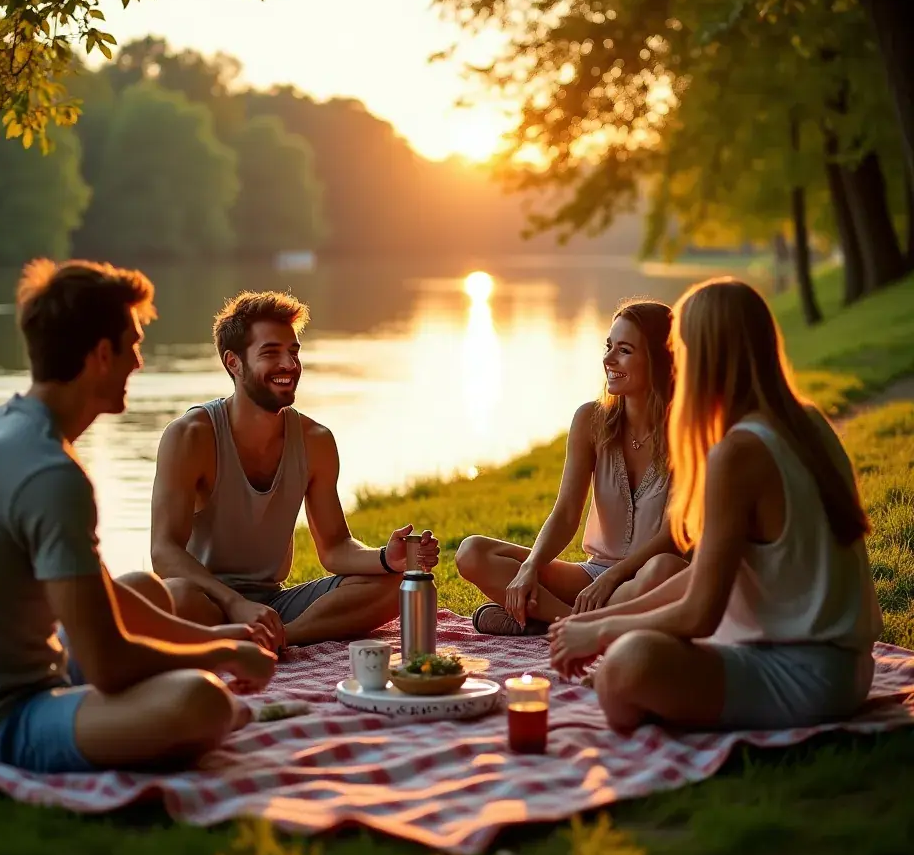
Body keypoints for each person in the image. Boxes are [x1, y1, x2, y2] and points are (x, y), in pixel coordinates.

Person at [0, 260, 277, 774]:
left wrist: (215, 638)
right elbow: (107, 663)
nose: (140, 362)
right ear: (102, 355)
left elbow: (104, 594)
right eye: (134, 344)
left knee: (144, 589)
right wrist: (220, 655)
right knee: (203, 701)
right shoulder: (51, 474)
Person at [550, 278, 883, 732]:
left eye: (681, 350)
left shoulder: (738, 452)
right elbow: (700, 574)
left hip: (800, 674)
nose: (676, 364)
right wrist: (599, 619)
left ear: (707, 355)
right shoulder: (805, 421)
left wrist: (604, 633)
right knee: (629, 651)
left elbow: (700, 612)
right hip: (845, 666)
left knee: (627, 665)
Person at [150, 290, 439, 647]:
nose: (289, 364)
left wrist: (385, 558)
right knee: (173, 597)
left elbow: (334, 548)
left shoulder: (315, 440)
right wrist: (234, 602)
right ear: (233, 363)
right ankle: (245, 634)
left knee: (398, 583)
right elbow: (164, 552)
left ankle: (280, 639)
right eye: (271, 353)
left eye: (294, 351)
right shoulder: (189, 436)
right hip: (207, 601)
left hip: (275, 604)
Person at [455, 299, 687, 636]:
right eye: (608, 347)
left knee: (665, 569)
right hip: (591, 577)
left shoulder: (689, 434)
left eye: (624, 350)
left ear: (660, 359)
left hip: (645, 583)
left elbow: (672, 537)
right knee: (472, 552)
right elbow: (565, 515)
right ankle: (573, 624)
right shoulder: (591, 421)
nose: (608, 360)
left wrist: (614, 577)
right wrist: (531, 567)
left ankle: (547, 620)